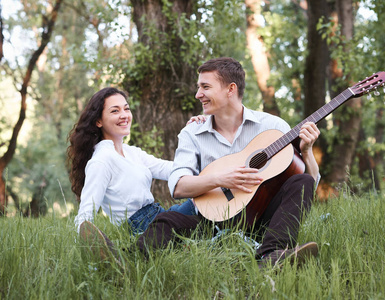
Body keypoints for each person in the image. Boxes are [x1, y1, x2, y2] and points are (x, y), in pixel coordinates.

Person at [133, 57, 321, 268]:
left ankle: (271, 255)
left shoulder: (273, 127)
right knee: (166, 221)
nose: (198, 95)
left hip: (262, 217)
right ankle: (124, 260)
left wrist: (307, 151)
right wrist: (220, 179)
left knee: (302, 181)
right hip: (212, 221)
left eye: (205, 87)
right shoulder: (192, 132)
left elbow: (309, 186)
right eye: (198, 87)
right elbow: (178, 186)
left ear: (230, 89)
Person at [67, 87, 201, 245]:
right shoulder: (101, 160)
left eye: (126, 109)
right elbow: (86, 210)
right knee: (207, 218)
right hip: (142, 228)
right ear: (98, 121)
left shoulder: (131, 152)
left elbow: (169, 169)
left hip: (161, 216)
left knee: (209, 204)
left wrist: (193, 133)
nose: (124, 115)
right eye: (115, 111)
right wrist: (82, 245)